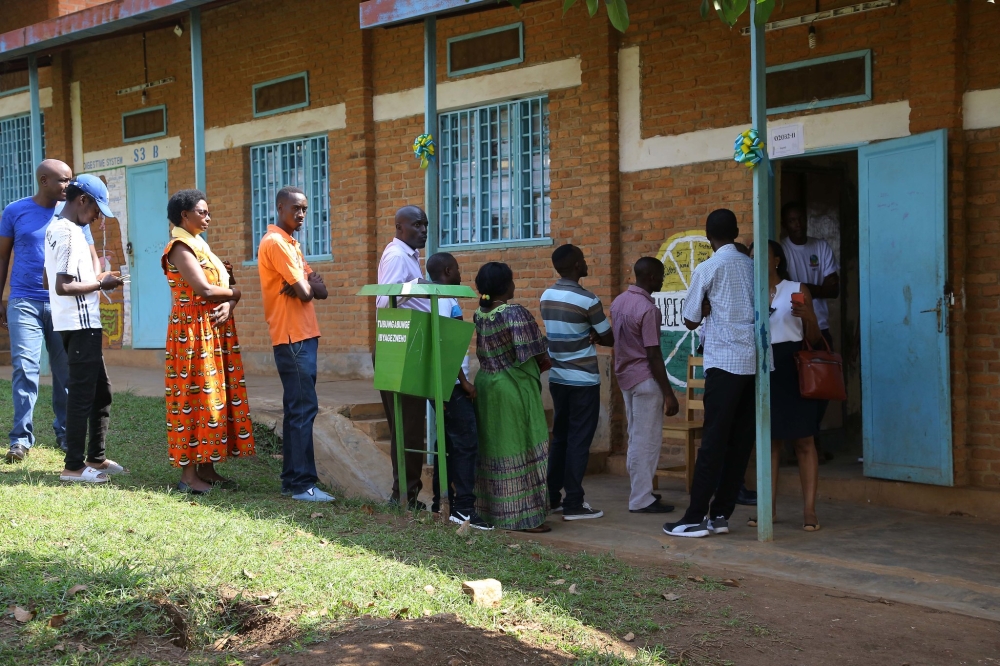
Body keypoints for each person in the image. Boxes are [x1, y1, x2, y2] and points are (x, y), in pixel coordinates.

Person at [664, 209, 757, 538]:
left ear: (708, 237)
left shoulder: (708, 267)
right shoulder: (752, 266)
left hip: (723, 362)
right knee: (740, 441)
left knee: (714, 440)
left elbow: (689, 319)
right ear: (735, 232)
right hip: (754, 363)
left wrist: (704, 309)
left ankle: (693, 516)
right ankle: (720, 515)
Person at [0, 159, 99, 462]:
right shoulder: (14, 212)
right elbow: (2, 259)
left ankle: (66, 434)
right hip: (24, 301)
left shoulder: (71, 213)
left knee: (65, 371)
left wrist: (92, 284)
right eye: (63, 181)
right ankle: (20, 439)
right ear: (43, 180)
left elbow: (93, 257)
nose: (69, 186)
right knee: (25, 368)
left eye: (70, 180)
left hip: (62, 303)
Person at [163, 189, 255, 494]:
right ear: (184, 215)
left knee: (213, 398)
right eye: (202, 212)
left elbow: (222, 286)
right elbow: (203, 289)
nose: (208, 217)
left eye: (208, 212)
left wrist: (229, 303)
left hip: (211, 329)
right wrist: (236, 295)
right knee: (193, 398)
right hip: (191, 331)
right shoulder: (179, 247)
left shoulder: (199, 244)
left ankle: (207, 467)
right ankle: (189, 477)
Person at [42, 175, 125, 483]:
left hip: (77, 322)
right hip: (79, 325)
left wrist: (95, 277)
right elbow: (62, 286)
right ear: (82, 201)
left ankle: (96, 457)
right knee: (81, 395)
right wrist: (100, 283)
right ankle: (74, 467)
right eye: (95, 211)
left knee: (101, 392)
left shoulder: (57, 229)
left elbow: (46, 280)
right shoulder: (67, 233)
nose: (96, 218)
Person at [257, 186, 331, 502]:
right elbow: (305, 291)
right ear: (280, 207)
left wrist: (307, 285)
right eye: (295, 209)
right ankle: (302, 484)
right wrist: (305, 286)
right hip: (293, 338)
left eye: (304, 209)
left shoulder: (292, 245)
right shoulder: (276, 243)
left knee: (297, 409)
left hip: (302, 335)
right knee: (302, 409)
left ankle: (292, 481)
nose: (300, 215)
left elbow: (320, 289)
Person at [749, 240, 824, 531]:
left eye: (762, 257)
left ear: (777, 260)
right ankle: (768, 507)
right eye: (752, 257)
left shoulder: (796, 288)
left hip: (792, 364)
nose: (756, 262)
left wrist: (808, 319)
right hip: (762, 367)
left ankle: (809, 510)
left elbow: (815, 339)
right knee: (769, 442)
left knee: (804, 440)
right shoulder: (749, 292)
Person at [472, 262, 551, 533]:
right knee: (523, 448)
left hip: (486, 386)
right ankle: (526, 519)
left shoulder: (479, 313)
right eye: (513, 280)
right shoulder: (513, 312)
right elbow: (537, 353)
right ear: (505, 286)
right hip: (512, 388)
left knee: (494, 450)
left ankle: (494, 513)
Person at [540, 244, 612, 521]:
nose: (586, 263)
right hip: (583, 380)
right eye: (583, 260)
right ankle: (574, 503)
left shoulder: (547, 295)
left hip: (557, 378)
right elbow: (609, 338)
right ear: (575, 266)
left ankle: (552, 497)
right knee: (579, 440)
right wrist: (593, 333)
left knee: (560, 438)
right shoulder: (588, 299)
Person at [426, 252, 490, 529]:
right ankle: (463, 508)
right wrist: (463, 382)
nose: (462, 274)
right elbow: (445, 347)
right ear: (448, 270)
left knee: (449, 444)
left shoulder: (438, 299)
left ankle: (443, 503)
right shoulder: (442, 301)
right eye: (459, 269)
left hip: (446, 383)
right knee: (465, 443)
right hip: (449, 384)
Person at [610, 257, 679, 514]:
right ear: (651, 278)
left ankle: (642, 491)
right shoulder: (648, 309)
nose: (662, 280)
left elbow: (615, 338)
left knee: (635, 438)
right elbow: (653, 354)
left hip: (626, 378)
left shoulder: (619, 301)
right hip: (646, 381)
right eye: (661, 276)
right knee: (646, 441)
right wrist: (669, 393)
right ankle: (640, 498)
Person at [376, 205, 431, 508]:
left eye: (425, 226)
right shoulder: (397, 256)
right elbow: (386, 301)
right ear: (400, 227)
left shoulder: (408, 255)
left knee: (410, 425)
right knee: (407, 426)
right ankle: (404, 495)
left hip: (410, 343)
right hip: (401, 345)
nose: (423, 231)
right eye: (417, 225)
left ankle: (405, 493)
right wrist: (417, 287)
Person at [780, 202, 839, 429]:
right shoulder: (782, 250)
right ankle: (800, 440)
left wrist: (801, 287)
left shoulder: (820, 246)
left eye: (801, 219)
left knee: (824, 384)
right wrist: (816, 288)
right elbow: (786, 286)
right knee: (796, 387)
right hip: (791, 328)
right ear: (786, 224)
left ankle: (813, 436)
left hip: (819, 326)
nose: (798, 225)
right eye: (792, 220)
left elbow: (834, 290)